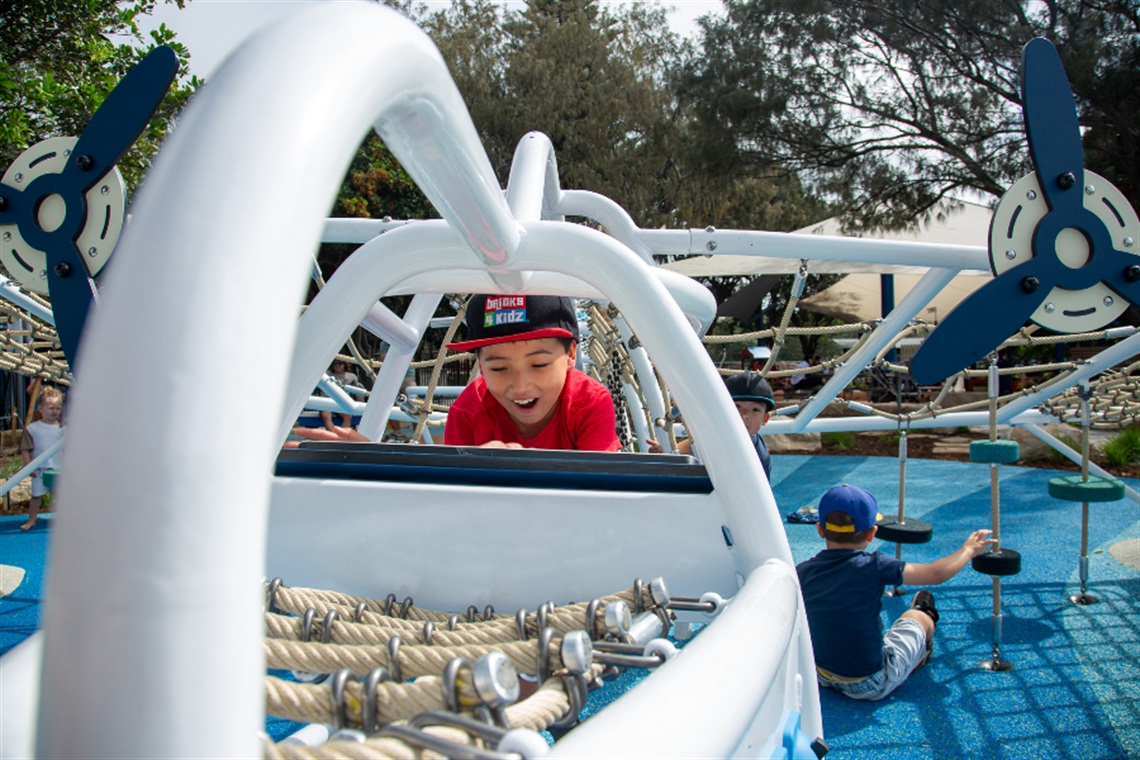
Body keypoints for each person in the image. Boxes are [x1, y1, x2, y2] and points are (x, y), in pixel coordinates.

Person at [796, 484, 996, 700]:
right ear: (872, 533)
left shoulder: (804, 570)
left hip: (817, 673)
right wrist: (968, 550)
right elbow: (936, 574)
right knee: (916, 617)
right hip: (869, 683)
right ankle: (921, 646)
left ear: (820, 529)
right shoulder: (875, 566)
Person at [442, 294, 620, 450]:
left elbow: (601, 485)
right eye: (499, 368)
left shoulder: (589, 403)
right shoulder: (466, 414)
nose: (520, 386)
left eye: (539, 365)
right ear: (481, 365)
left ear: (571, 354)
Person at [652, 371, 775, 479]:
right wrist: (661, 450)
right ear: (721, 411)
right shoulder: (713, 437)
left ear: (765, 418)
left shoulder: (758, 455)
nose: (744, 415)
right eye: (736, 407)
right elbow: (680, 450)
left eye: (755, 410)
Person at [19, 386, 65, 530]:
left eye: (58, 408)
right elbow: (25, 449)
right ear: (40, 408)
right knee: (36, 497)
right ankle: (32, 520)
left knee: (59, 496)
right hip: (39, 470)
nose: (54, 411)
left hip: (57, 469)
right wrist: (29, 466)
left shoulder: (63, 429)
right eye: (51, 407)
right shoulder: (32, 429)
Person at [319, 358, 362, 430]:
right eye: (335, 364)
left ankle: (342, 436)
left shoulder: (351, 376)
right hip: (327, 402)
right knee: (326, 415)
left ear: (345, 364)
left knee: (348, 415)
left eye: (340, 363)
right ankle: (333, 436)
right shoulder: (325, 375)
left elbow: (358, 393)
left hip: (342, 403)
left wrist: (361, 408)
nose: (337, 366)